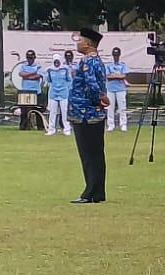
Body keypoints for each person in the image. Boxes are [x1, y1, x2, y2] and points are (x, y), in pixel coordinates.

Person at [68, 28, 111, 204]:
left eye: (80, 41)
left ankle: (90, 192)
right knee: (96, 154)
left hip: (85, 113)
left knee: (88, 155)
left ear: (87, 44)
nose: (77, 44)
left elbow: (92, 85)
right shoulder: (97, 60)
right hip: (93, 113)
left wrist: (99, 100)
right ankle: (98, 192)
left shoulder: (87, 61)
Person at [45, 55, 73, 136]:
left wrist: (68, 89)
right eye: (55, 62)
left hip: (63, 93)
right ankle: (51, 129)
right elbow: (48, 80)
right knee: (52, 112)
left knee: (64, 112)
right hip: (53, 93)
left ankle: (67, 129)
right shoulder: (49, 70)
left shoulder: (65, 69)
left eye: (58, 61)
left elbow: (69, 80)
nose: (56, 63)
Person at [16, 50, 44, 131]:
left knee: (38, 110)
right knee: (24, 111)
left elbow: (37, 76)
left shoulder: (38, 66)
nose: (30, 59)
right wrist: (32, 73)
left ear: (34, 57)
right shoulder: (23, 66)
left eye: (31, 58)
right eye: (28, 58)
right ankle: (23, 126)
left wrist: (27, 75)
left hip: (36, 91)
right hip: (25, 91)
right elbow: (21, 74)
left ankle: (40, 127)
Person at [105, 47, 131, 132]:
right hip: (110, 88)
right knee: (110, 108)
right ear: (113, 55)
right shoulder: (108, 65)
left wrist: (114, 76)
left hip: (121, 89)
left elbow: (123, 76)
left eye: (117, 55)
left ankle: (123, 124)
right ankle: (110, 125)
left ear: (119, 55)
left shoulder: (123, 65)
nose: (116, 56)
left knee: (122, 108)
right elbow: (108, 77)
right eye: (114, 55)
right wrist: (118, 76)